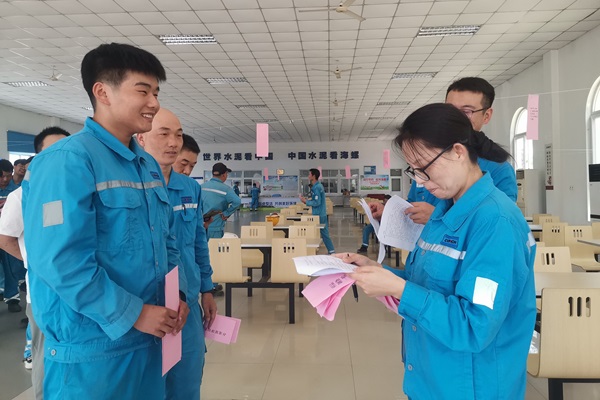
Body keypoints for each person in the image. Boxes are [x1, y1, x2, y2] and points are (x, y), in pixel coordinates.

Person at [22, 42, 189, 399]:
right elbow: (61, 262)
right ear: (103, 92)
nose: (154, 102)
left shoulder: (146, 165)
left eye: (156, 92)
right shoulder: (66, 162)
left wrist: (178, 295)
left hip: (150, 339)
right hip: (92, 353)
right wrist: (134, 314)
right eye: (142, 91)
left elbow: (167, 241)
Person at [340, 103, 536, 399]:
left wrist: (399, 289)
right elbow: (424, 282)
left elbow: (475, 326)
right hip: (430, 378)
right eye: (414, 171)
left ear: (458, 152)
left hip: (471, 388)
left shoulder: (496, 223)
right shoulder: (443, 213)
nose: (419, 182)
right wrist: (377, 271)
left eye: (424, 169)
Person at [137, 108, 217, 400]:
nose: (173, 142)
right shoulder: (132, 185)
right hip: (145, 305)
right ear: (141, 138)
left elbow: (198, 242)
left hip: (187, 303)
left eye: (178, 135)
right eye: (164, 134)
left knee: (186, 382)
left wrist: (207, 288)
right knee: (147, 385)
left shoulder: (189, 188)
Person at [0, 126, 69, 398]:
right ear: (39, 156)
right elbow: (5, 238)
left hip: (79, 290)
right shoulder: (20, 196)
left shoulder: (77, 190)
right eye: (53, 150)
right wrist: (33, 262)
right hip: (43, 293)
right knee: (44, 357)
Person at [0, 158, 24, 312]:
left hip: (8, 235)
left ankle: (12, 298)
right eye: (2, 176)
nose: (5, 179)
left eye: (8, 176)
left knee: (11, 267)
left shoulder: (15, 191)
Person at [201, 162, 241, 239]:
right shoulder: (226, 189)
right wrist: (226, 213)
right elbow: (237, 201)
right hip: (215, 227)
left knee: (201, 246)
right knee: (214, 246)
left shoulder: (201, 187)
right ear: (224, 175)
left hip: (200, 226)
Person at [300, 168, 335, 254]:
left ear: (314, 176)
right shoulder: (318, 186)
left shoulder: (317, 187)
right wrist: (307, 200)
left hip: (318, 214)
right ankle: (331, 251)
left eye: (309, 174)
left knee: (320, 233)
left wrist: (306, 201)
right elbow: (316, 200)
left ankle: (330, 251)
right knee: (324, 233)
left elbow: (317, 202)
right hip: (320, 213)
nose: (308, 176)